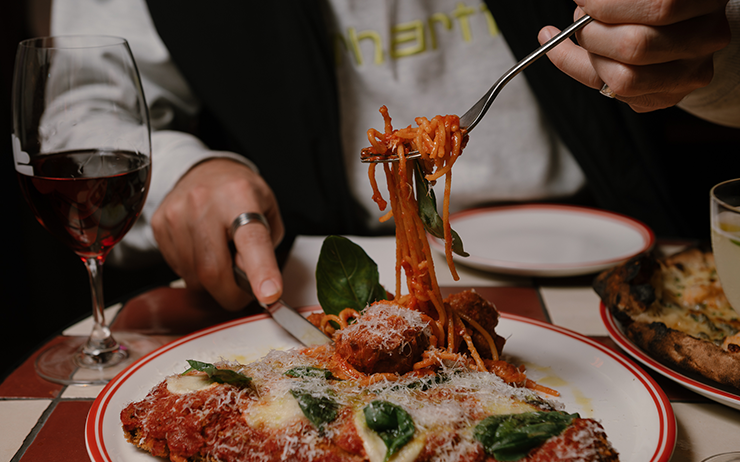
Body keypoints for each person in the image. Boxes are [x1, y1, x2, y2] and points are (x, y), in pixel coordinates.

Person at [47, 0, 740, 313]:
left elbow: (722, 73)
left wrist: (703, 51)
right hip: (317, 277)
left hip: (619, 266)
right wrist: (185, 172)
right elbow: (84, 109)